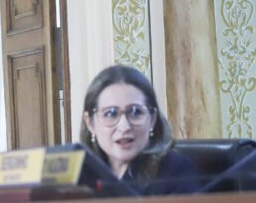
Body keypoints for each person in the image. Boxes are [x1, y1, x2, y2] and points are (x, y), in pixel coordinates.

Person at [80, 65, 199, 195]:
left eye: (135, 112)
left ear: (152, 119)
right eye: (111, 113)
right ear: (90, 123)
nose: (124, 127)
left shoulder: (175, 171)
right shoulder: (78, 175)